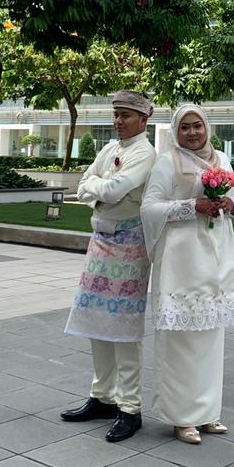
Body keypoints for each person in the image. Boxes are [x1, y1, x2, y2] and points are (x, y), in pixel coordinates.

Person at [141, 104, 234, 444]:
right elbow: (149, 208)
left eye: (197, 125)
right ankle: (182, 417)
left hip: (216, 257)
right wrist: (191, 206)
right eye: (184, 127)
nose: (192, 133)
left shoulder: (221, 159)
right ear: (175, 131)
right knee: (180, 342)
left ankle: (208, 413)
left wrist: (230, 205)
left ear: (206, 127)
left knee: (211, 340)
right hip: (182, 260)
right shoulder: (167, 162)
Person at [61, 91, 156, 442]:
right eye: (116, 114)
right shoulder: (110, 148)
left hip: (130, 246)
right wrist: (100, 190)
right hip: (100, 242)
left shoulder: (145, 153)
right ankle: (102, 396)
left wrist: (98, 189)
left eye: (126, 115)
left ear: (143, 120)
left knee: (124, 328)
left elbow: (115, 190)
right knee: (96, 322)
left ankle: (130, 408)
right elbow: (83, 185)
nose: (118, 121)